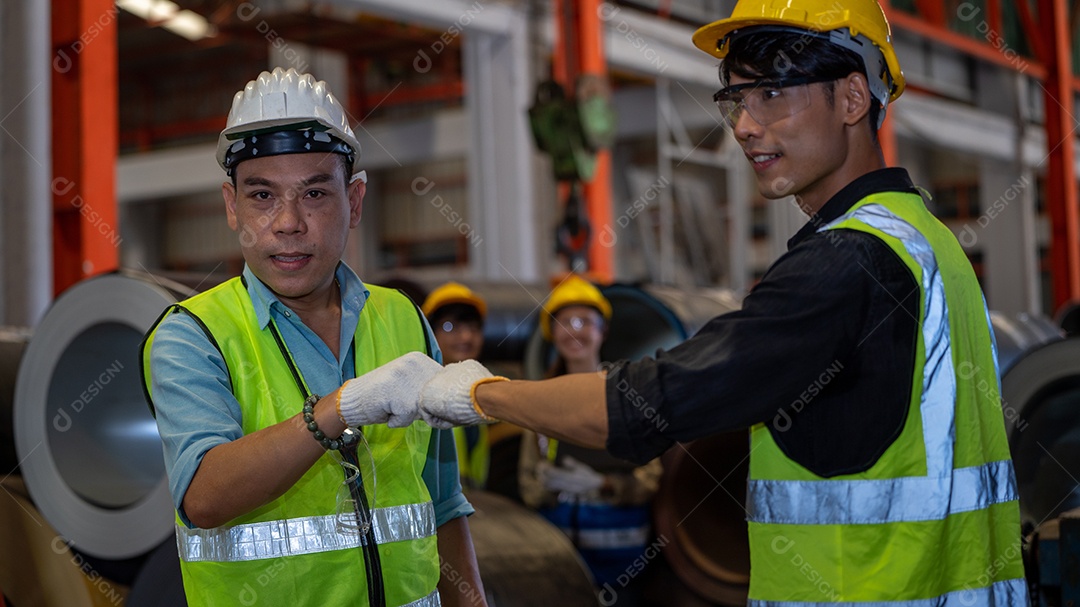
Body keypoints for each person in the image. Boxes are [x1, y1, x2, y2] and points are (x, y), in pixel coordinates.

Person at [341, 0, 1030, 604]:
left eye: (772, 96)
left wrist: (479, 394)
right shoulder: (928, 240)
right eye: (736, 101)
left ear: (853, 98)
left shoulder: (846, 263)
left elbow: (654, 403)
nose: (745, 127)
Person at [140, 67, 485, 607]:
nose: (288, 222)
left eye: (315, 193)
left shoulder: (405, 321)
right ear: (232, 206)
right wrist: (341, 409)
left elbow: (441, 503)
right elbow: (205, 496)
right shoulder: (193, 336)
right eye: (261, 196)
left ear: (355, 201)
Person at [517, 276, 661, 594]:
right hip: (560, 562)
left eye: (584, 321)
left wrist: (605, 485)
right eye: (564, 322)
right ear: (552, 334)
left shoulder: (626, 394)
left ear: (602, 330)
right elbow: (528, 486)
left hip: (624, 567)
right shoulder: (539, 401)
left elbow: (652, 477)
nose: (574, 330)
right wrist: (550, 487)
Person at [423, 282, 490, 489]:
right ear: (429, 333)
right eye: (451, 326)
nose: (466, 337)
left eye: (473, 327)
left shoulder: (478, 391)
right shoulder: (418, 394)